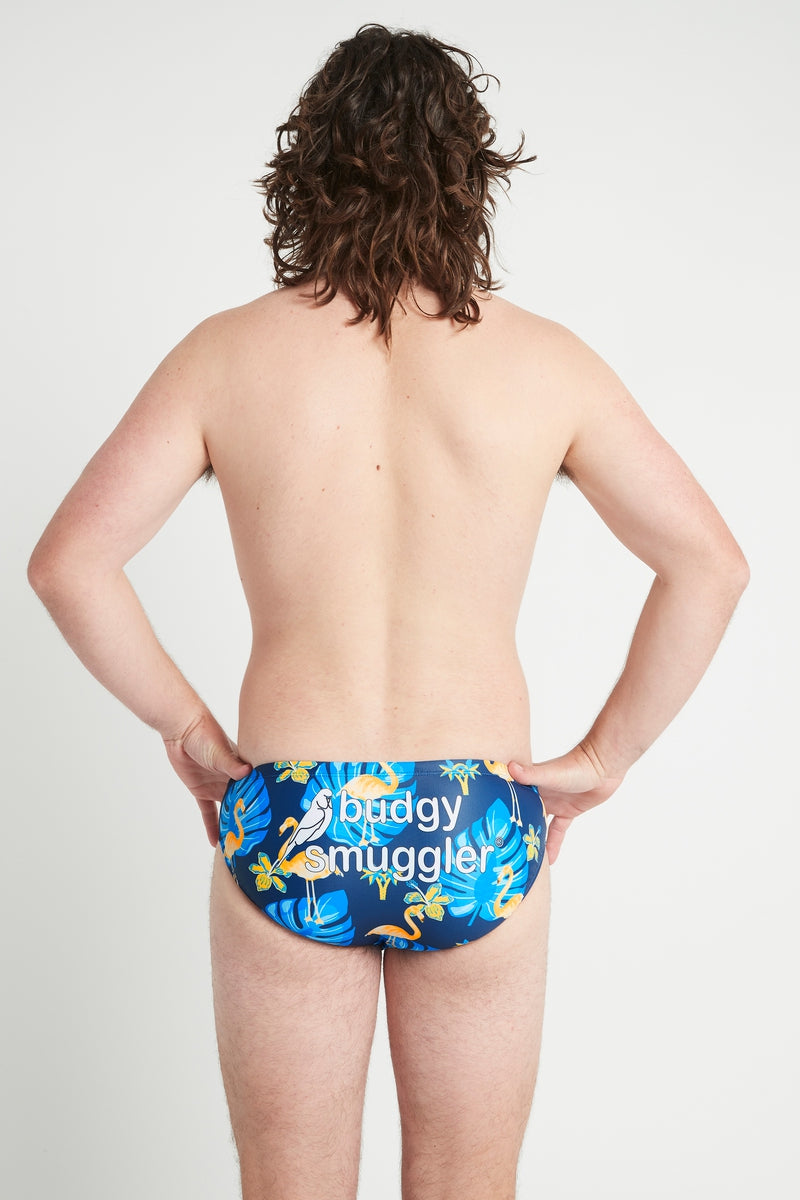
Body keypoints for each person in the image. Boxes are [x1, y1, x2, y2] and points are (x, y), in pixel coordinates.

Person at [26, 22, 749, 1200]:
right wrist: (600, 761)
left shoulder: (225, 355)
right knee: (466, 1180)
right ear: (469, 174)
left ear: (309, 163)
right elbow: (707, 564)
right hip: (472, 816)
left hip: (293, 813)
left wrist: (193, 734)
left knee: (290, 1182)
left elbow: (69, 563)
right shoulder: (546, 363)